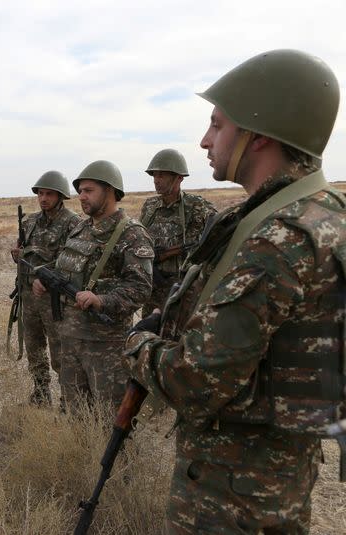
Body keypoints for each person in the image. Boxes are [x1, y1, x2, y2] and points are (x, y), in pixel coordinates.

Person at [125, 49, 344, 534]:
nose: (205, 140)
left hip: (235, 493)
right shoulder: (321, 213)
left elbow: (195, 383)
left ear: (258, 132)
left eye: (218, 125)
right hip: (276, 475)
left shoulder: (277, 239)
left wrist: (138, 347)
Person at [35, 160, 152, 411]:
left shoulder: (131, 233)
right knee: (78, 414)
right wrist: (45, 278)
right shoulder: (81, 227)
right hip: (70, 338)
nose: (81, 196)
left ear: (110, 191)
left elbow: (140, 287)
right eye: (80, 191)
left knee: (111, 416)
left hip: (105, 345)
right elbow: (67, 264)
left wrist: (101, 300)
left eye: (88, 190)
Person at [10, 171, 81, 406]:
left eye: (49, 194)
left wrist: (47, 278)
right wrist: (17, 254)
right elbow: (24, 254)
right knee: (34, 346)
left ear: (60, 196)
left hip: (54, 298)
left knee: (60, 348)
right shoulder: (29, 222)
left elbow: (71, 260)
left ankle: (66, 398)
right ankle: (40, 391)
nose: (43, 198)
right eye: (41, 193)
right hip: (29, 295)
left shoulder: (73, 223)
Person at [139, 149, 216, 314]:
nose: (156, 181)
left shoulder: (197, 206)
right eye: (154, 176)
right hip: (153, 286)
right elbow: (139, 241)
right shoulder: (149, 206)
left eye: (161, 175)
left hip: (184, 287)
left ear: (179, 177)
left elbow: (217, 236)